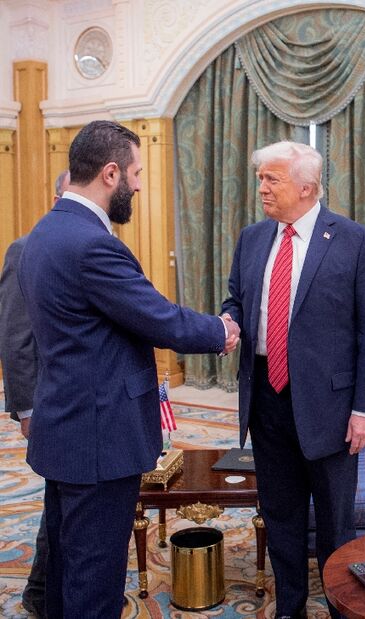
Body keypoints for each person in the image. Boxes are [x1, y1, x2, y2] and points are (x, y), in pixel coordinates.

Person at [17, 120, 240, 618]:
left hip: (65, 430)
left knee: (65, 568)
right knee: (95, 580)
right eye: (136, 173)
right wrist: (222, 331)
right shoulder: (92, 244)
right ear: (111, 172)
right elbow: (159, 317)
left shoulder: (43, 234)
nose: (139, 185)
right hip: (99, 438)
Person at [221, 141, 365, 618]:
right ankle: (289, 607)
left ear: (307, 187)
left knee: (337, 523)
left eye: (272, 179)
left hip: (331, 410)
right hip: (267, 402)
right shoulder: (253, 238)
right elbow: (236, 298)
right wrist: (229, 320)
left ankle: (343, 608)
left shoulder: (354, 240)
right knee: (281, 517)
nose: (262, 188)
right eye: (261, 178)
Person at [0, 169, 69, 617]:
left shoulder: (92, 246)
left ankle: (46, 591)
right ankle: (42, 593)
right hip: (48, 404)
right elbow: (13, 336)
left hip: (76, 402)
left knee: (63, 500)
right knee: (59, 500)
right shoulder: (25, 249)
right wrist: (25, 408)